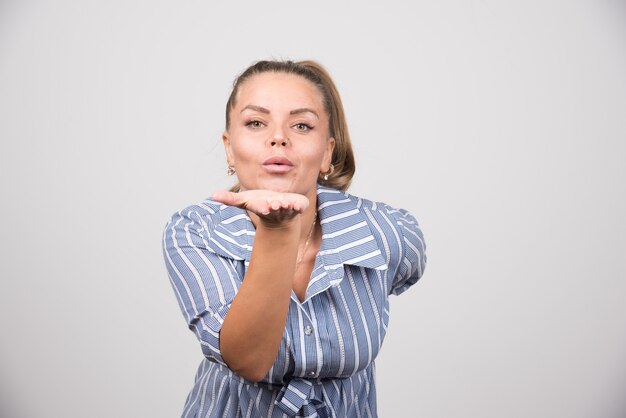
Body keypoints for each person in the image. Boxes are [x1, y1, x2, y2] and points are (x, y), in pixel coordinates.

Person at [162, 60, 427, 418]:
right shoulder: (195, 232)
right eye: (256, 123)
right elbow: (248, 361)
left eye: (301, 125)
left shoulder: (388, 233)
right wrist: (278, 229)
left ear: (327, 152)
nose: (279, 137)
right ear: (229, 147)